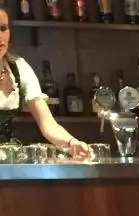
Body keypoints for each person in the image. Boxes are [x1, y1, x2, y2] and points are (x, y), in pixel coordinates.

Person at [0, 8, 90, 156]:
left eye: (3, 28)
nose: (0, 36)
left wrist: (72, 143)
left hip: (7, 159)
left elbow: (48, 124)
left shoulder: (18, 67)